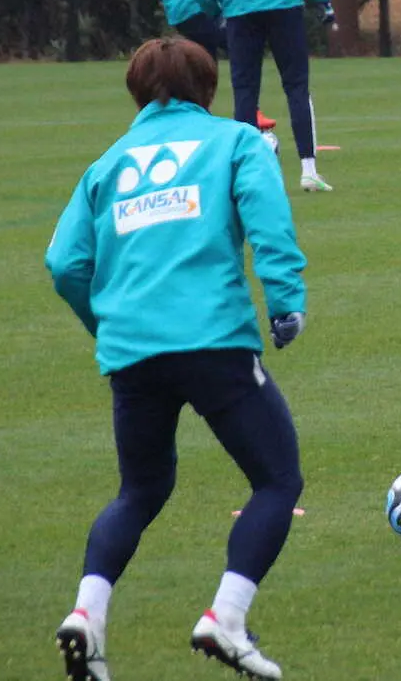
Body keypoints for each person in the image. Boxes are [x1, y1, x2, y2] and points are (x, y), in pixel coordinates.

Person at [47, 37, 308, 681]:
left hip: (132, 352)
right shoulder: (236, 141)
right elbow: (269, 224)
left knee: (140, 490)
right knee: (277, 479)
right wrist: (285, 303)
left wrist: (108, 325)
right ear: (208, 88)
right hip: (212, 339)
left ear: (137, 92)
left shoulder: (106, 165)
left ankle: (86, 613)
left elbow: (65, 263)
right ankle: (226, 619)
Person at [190, 0, 336, 191]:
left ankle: (246, 173)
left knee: (244, 91)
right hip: (284, 4)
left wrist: (211, 6)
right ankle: (308, 170)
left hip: (238, 7)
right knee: (297, 86)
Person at [158, 0, 278, 134]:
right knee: (243, 46)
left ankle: (196, 120)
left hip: (189, 6)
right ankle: (248, 112)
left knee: (204, 68)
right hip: (193, 5)